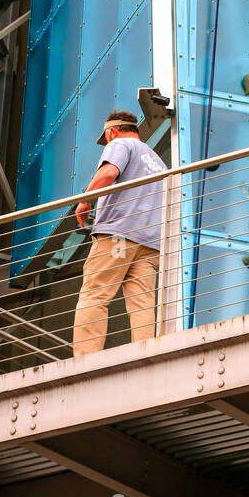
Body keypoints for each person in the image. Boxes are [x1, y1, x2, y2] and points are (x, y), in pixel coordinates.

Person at [72, 109, 167, 356]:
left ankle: (84, 359)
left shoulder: (120, 144)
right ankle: (145, 354)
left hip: (118, 237)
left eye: (106, 138)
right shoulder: (157, 161)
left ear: (112, 131)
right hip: (149, 243)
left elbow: (109, 172)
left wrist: (85, 200)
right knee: (142, 302)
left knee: (95, 294)